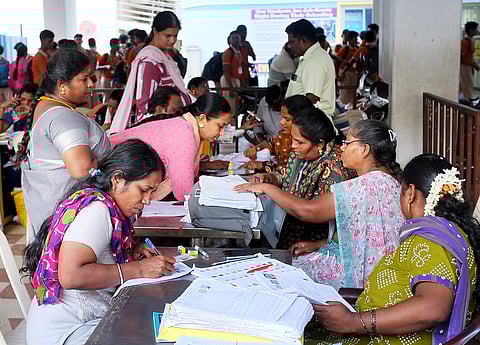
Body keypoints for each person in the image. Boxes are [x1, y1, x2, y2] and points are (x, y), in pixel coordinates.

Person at [311, 153, 480, 345]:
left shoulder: (431, 241)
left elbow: (434, 307)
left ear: (410, 193)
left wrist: (353, 322)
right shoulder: (448, 233)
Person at [21, 139, 176, 345]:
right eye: (143, 189)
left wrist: (132, 250)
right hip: (67, 333)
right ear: (118, 180)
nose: (147, 200)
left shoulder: (106, 205)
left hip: (81, 324)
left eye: (152, 192)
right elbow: (70, 276)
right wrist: (138, 269)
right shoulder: (97, 211)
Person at [236, 119, 404, 289]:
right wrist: (321, 244)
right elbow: (366, 236)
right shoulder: (392, 183)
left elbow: (306, 211)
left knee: (271, 275)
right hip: (379, 275)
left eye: (347, 142)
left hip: (354, 277)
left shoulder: (362, 187)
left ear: (364, 149)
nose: (342, 148)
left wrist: (266, 188)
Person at [15, 48, 111, 241]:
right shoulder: (62, 116)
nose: (91, 85)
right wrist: (114, 163)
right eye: (84, 79)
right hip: (72, 225)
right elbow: (82, 170)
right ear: (62, 85)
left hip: (58, 220)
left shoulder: (48, 107)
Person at [248, 107, 356, 249]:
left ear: (320, 144)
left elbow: (311, 211)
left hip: (316, 244)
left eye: (299, 142)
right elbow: (284, 176)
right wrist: (268, 178)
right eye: (293, 139)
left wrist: (267, 188)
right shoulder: (301, 154)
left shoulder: (333, 168)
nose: (293, 145)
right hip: (290, 232)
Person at [109, 93, 231, 201]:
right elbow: (184, 193)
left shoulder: (184, 127)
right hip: (112, 176)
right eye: (220, 126)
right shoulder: (183, 133)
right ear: (203, 119)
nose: (222, 133)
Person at [110, 11, 193, 133]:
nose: (172, 40)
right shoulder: (150, 61)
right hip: (157, 128)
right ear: (155, 31)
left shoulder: (164, 56)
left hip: (168, 123)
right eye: (168, 35)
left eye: (175, 35)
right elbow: (144, 104)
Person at [243, 95, 313, 174]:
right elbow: (272, 143)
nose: (281, 122)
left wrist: (263, 165)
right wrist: (256, 149)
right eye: (282, 117)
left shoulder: (306, 142)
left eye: (287, 119)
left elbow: (290, 174)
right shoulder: (285, 135)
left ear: (301, 119)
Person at [285, 19, 336, 116]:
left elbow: (312, 97)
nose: (289, 46)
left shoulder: (314, 60)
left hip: (310, 123)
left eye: (292, 42)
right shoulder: (312, 57)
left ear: (303, 40)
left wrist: (292, 116)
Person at [221, 30, 249, 112]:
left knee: (236, 106)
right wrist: (231, 88)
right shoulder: (228, 52)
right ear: (230, 40)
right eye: (234, 38)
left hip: (236, 80)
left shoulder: (240, 52)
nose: (236, 40)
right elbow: (226, 71)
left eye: (237, 38)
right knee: (230, 106)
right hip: (228, 80)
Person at [336, 30, 359, 106]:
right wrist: (338, 75)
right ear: (349, 39)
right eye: (354, 38)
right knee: (345, 92)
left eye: (356, 38)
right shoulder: (344, 49)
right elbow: (337, 61)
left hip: (354, 73)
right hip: (345, 73)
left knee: (353, 92)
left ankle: (351, 107)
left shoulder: (357, 49)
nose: (356, 40)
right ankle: (343, 107)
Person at [460, 21, 480, 103]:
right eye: (476, 29)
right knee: (466, 83)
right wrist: (473, 64)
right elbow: (462, 57)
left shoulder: (470, 41)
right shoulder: (465, 42)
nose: (477, 31)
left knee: (469, 83)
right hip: (465, 66)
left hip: (468, 66)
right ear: (471, 30)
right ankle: (467, 100)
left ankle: (469, 98)